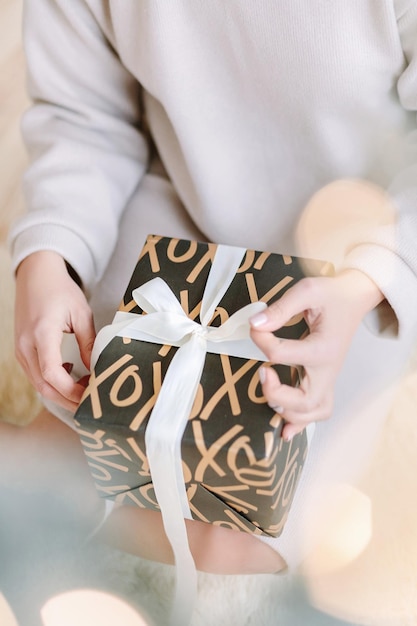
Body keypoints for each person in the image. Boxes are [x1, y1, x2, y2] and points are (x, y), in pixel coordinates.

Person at [5, 0, 417, 576]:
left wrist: (370, 278)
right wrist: (49, 258)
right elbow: (83, 116)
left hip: (359, 256)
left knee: (238, 541)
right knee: (56, 469)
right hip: (175, 213)